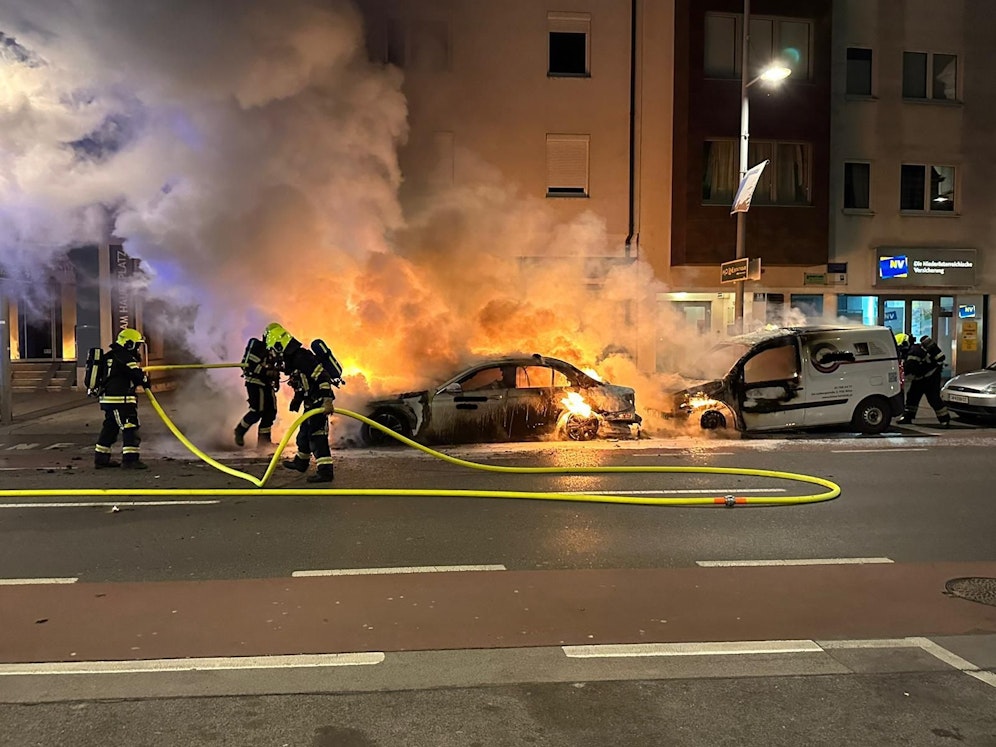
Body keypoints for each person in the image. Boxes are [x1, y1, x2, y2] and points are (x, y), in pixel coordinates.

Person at [264, 322, 337, 482]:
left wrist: (327, 401)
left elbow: (323, 377)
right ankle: (301, 462)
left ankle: (325, 472)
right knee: (303, 434)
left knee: (317, 436)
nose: (274, 355)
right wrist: (297, 400)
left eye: (273, 350)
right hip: (311, 402)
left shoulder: (302, 358)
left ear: (279, 346)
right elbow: (301, 382)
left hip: (320, 401)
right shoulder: (293, 361)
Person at [94, 328, 151, 469]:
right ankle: (130, 460)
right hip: (120, 400)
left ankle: (101, 458)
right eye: (137, 345)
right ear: (129, 344)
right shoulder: (125, 357)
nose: (137, 349)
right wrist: (145, 380)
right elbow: (137, 375)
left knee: (111, 428)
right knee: (129, 426)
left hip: (109, 399)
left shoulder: (109, 356)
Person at [233, 333, 281, 447]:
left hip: (267, 384)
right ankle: (240, 431)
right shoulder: (257, 347)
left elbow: (275, 367)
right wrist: (267, 372)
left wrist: (276, 378)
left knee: (270, 413)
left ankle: (264, 443)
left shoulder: (274, 351)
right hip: (255, 383)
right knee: (257, 411)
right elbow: (247, 365)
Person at [898, 334, 950, 426]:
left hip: (931, 377)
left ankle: (944, 419)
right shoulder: (914, 350)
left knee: (933, 399)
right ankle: (907, 417)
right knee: (912, 397)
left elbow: (910, 367)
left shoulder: (914, 351)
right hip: (921, 378)